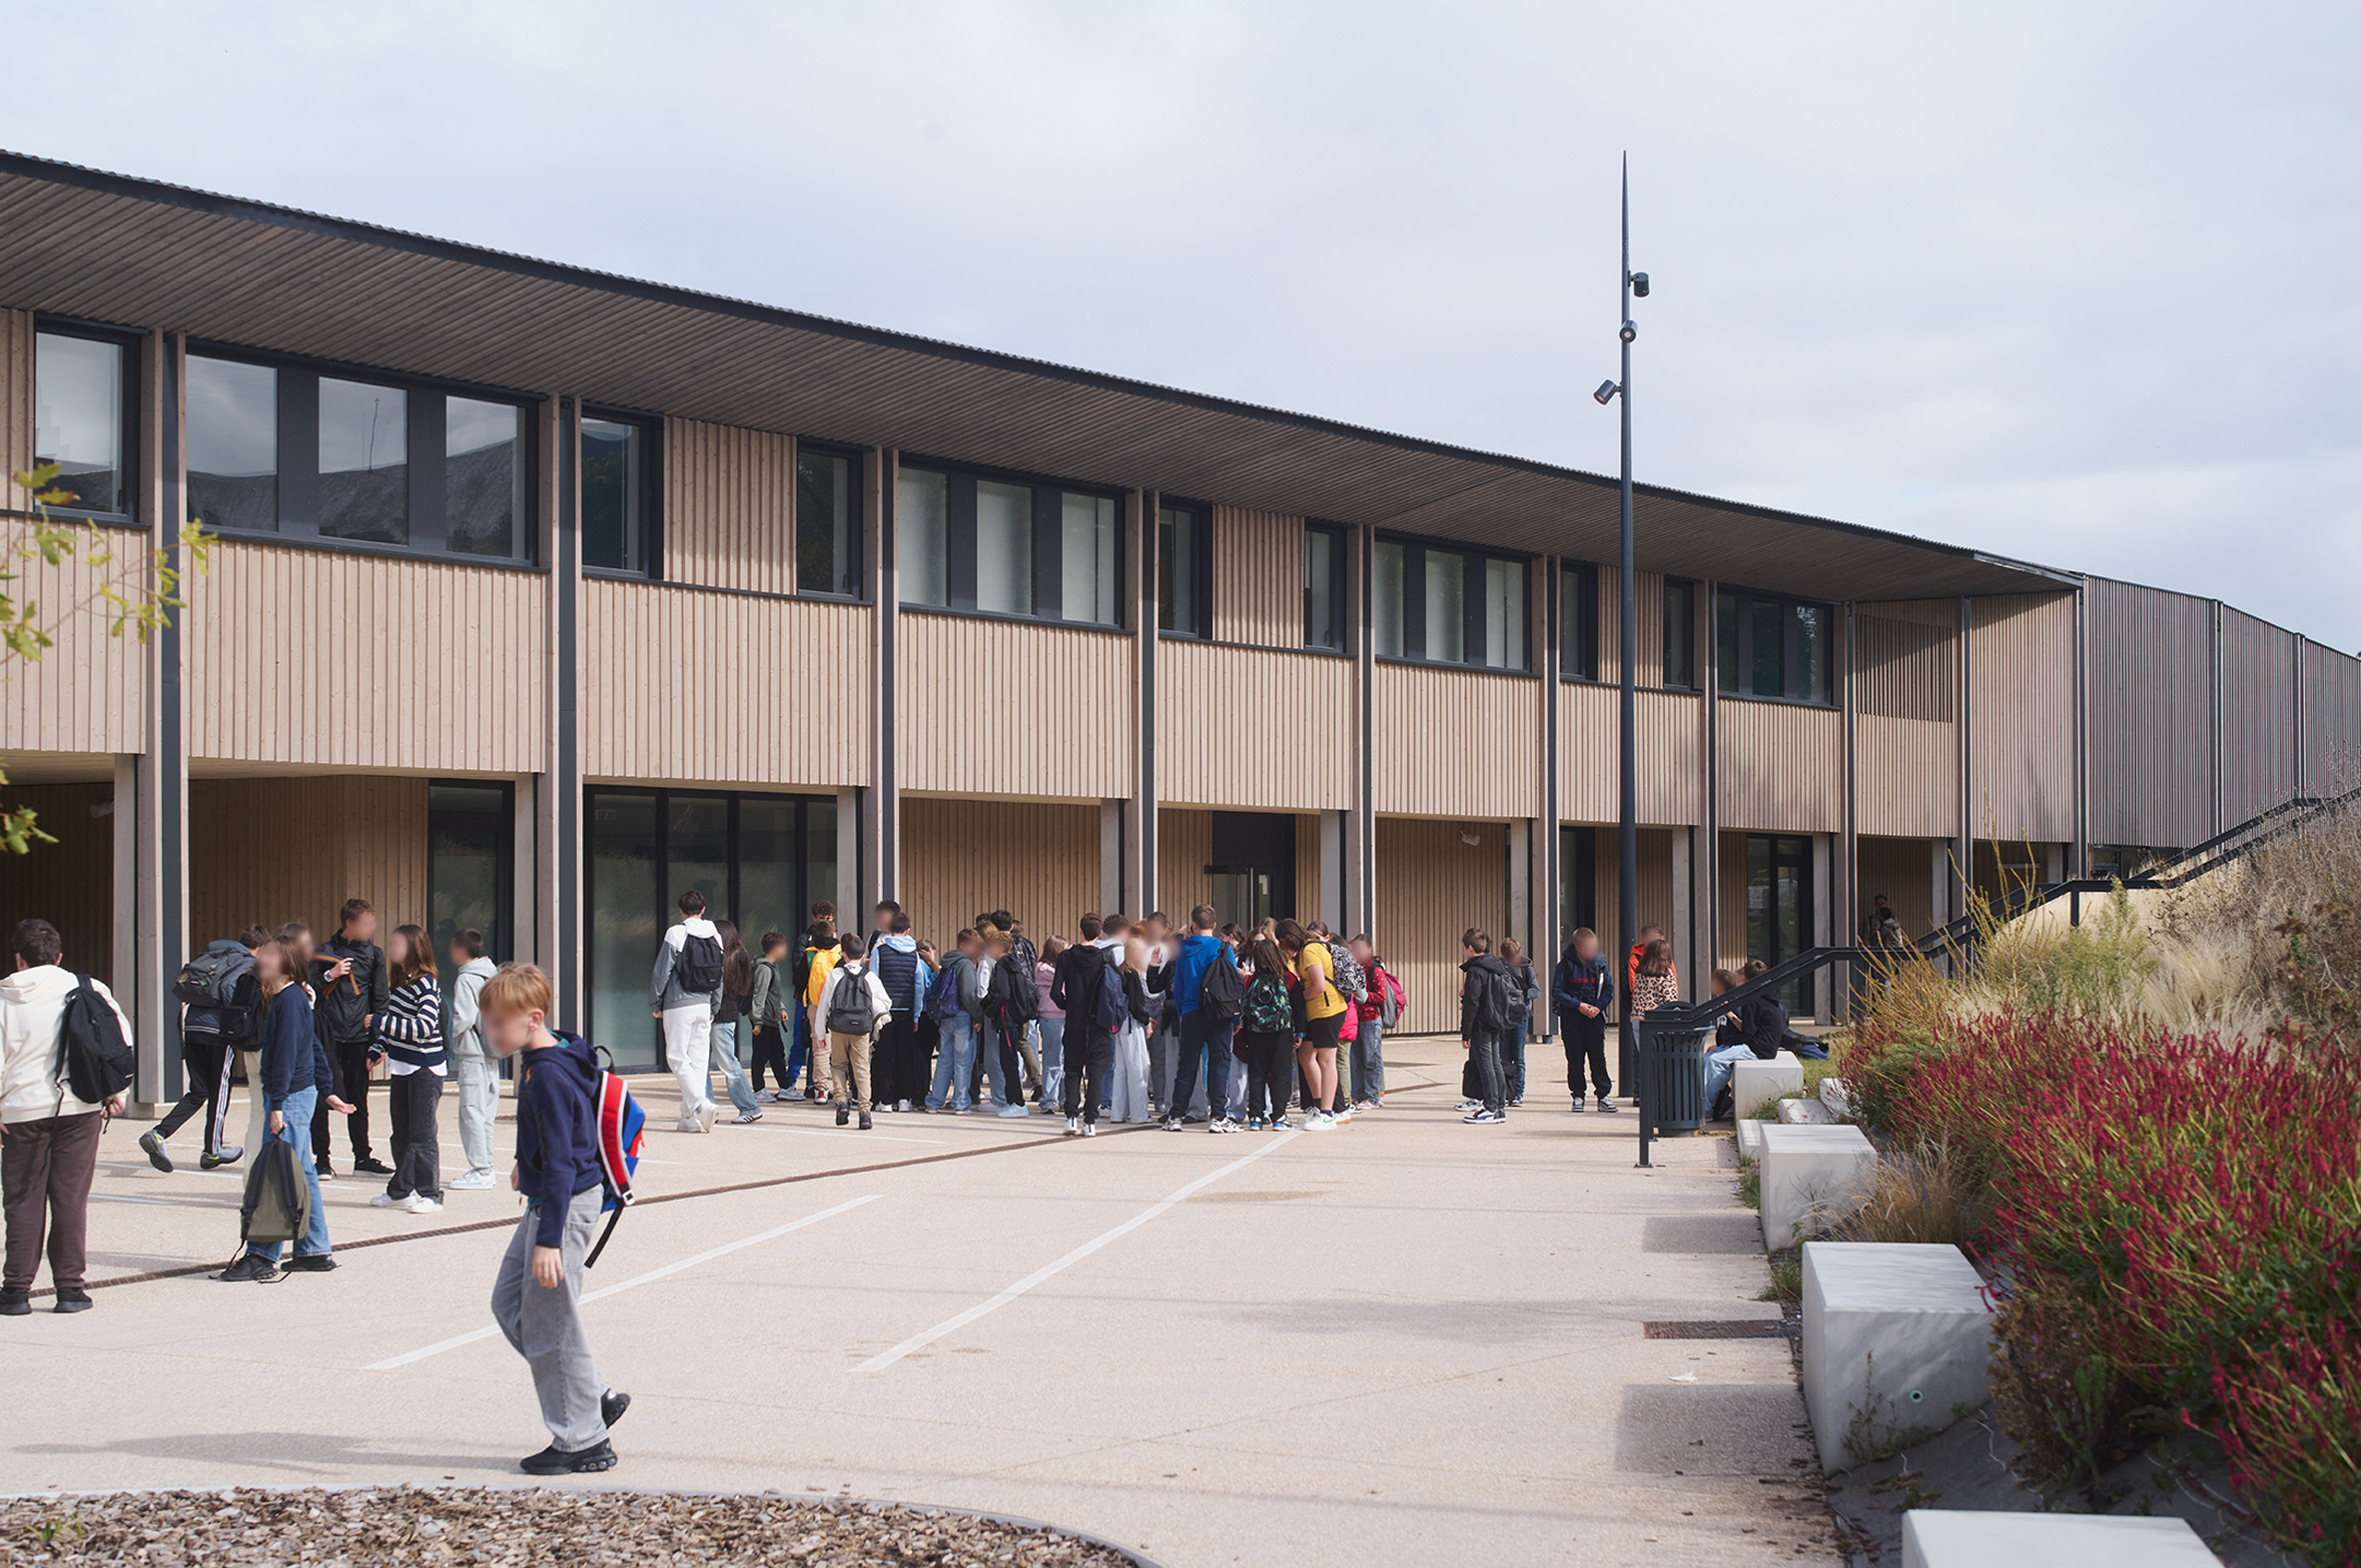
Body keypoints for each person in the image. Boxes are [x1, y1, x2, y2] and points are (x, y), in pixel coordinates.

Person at [481, 963, 628, 1476]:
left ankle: (583, 1439)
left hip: (562, 1208)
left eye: (500, 1023)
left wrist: (549, 1240)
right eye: (489, 1022)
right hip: (551, 1199)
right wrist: (529, 1158)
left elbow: (566, 1161)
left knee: (548, 1322)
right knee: (509, 1304)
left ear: (532, 1017)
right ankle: (595, 1397)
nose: (491, 1032)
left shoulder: (546, 1073)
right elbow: (562, 1132)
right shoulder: (558, 1048)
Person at [0, 919, 133, 1314]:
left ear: (19, 959)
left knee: (22, 1201)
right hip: (79, 1107)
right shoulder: (88, 988)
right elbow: (116, 1041)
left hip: (20, 1112)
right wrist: (116, 1092)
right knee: (70, 1199)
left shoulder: (5, 998)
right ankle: (71, 1290)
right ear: (58, 957)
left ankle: (16, 1291)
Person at [216, 937, 352, 1283]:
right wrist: (326, 1090)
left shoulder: (289, 1000)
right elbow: (314, 1047)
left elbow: (289, 1055)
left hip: (289, 1097)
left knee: (277, 1175)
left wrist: (276, 1105)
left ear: (287, 962)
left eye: (272, 954)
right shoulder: (289, 998)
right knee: (302, 1174)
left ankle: (262, 1255)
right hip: (297, 1095)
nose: (263, 957)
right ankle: (314, 1250)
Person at [142, 923, 267, 1175]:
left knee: (198, 1090)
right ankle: (212, 1150)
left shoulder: (214, 956)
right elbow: (234, 996)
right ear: (260, 948)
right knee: (220, 1091)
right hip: (219, 1031)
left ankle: (158, 1134)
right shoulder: (244, 963)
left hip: (192, 1027)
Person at [312, 898, 392, 1178]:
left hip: (359, 1037)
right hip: (327, 1036)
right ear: (350, 923)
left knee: (359, 1098)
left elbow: (381, 998)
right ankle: (322, 1160)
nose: (372, 928)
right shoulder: (324, 952)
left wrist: (379, 1041)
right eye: (367, 923)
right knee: (323, 1096)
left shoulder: (375, 954)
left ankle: (363, 1158)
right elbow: (308, 991)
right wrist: (329, 975)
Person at [371, 923, 447, 1214]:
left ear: (414, 949)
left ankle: (432, 1193)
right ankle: (401, 1190)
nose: (392, 950)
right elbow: (395, 1024)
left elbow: (423, 1028)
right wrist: (378, 1048)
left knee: (422, 1135)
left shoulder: (426, 984)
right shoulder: (401, 982)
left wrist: (379, 1022)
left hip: (425, 1070)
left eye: (398, 945)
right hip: (402, 1066)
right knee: (400, 1133)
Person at [649, 890, 724, 1135]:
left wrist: (655, 1002)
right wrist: (715, 1005)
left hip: (678, 1004)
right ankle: (689, 1118)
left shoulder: (676, 932)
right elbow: (720, 974)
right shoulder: (715, 934)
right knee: (699, 1061)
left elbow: (663, 971)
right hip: (704, 1004)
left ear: (681, 910)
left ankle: (701, 1105)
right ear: (703, 909)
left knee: (677, 1058)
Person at [1165, 904, 1241, 1135]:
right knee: (1220, 1063)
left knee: (1187, 1065)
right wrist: (1235, 1017)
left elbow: (1177, 985)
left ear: (1193, 925)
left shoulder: (1183, 949)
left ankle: (1176, 1114)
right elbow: (1231, 983)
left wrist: (1181, 1013)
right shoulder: (1222, 947)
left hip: (1190, 1011)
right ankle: (1219, 1116)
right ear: (1215, 925)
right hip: (1219, 1012)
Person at [1050, 914, 1116, 1137]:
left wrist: (1069, 1005)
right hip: (1098, 1023)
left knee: (1072, 1071)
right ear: (1099, 934)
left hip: (1074, 1022)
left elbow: (1055, 991)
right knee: (1096, 1073)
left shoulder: (1066, 957)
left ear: (1080, 931)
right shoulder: (1104, 958)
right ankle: (1090, 1123)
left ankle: (1070, 1118)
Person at [814, 934, 890, 1130]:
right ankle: (864, 1112)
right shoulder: (869, 977)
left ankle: (841, 1102)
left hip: (838, 1027)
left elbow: (824, 1004)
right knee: (862, 1069)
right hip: (861, 1029)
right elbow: (886, 1003)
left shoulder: (835, 975)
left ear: (844, 955)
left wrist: (820, 1033)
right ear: (864, 955)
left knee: (838, 1065)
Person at [1277, 919, 1344, 1132]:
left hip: (1327, 1010)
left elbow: (1319, 985)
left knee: (1326, 1059)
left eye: (1282, 942)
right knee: (1306, 1056)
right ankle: (1317, 1106)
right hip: (1316, 1012)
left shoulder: (1310, 950)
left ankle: (1327, 1113)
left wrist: (1296, 998)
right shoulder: (1307, 950)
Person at [446, 929, 500, 1190]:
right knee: (486, 1112)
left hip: (473, 1052)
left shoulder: (467, 979)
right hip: (492, 1050)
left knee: (471, 1111)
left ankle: (481, 1170)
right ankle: (486, 1166)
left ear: (459, 949)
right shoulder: (491, 973)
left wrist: (447, 1034)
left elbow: (464, 1017)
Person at [1552, 928, 1617, 1114]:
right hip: (1572, 1016)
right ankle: (1578, 1095)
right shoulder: (1565, 965)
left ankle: (1603, 1095)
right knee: (1574, 1057)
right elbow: (1557, 991)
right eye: (1588, 948)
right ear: (1578, 947)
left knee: (1598, 1056)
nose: (1592, 951)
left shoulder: (1601, 965)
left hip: (1594, 1017)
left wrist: (1598, 1007)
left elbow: (1608, 990)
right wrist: (1577, 1005)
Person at [870, 912, 930, 1112]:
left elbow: (874, 981)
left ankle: (885, 1100)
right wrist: (916, 1014)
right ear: (907, 930)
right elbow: (919, 984)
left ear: (889, 929)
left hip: (885, 1011)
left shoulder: (880, 950)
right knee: (905, 1055)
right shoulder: (914, 952)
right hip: (906, 1009)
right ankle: (905, 1099)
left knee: (885, 1055)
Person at [1236, 933, 1295, 1131]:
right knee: (1281, 1075)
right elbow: (1298, 1007)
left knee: (1257, 1074)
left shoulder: (1251, 981)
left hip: (1256, 1032)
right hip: (1281, 1033)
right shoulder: (1288, 979)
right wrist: (1301, 1033)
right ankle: (1279, 1116)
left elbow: (1244, 1007)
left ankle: (1255, 1117)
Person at [1457, 928, 1513, 1125]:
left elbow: (1472, 1002)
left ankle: (1490, 1107)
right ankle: (1498, 1106)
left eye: (1464, 948)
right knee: (1495, 1062)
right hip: (1496, 1020)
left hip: (1482, 1023)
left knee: (1486, 1065)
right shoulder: (1498, 966)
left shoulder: (1476, 970)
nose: (1464, 952)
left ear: (1470, 948)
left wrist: (1466, 1033)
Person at [709, 921, 764, 1126]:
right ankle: (707, 1108)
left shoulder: (729, 956)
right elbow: (744, 990)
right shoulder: (739, 954)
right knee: (713, 1064)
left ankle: (749, 1107)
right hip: (726, 1013)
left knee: (728, 1064)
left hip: (721, 1016)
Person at [924, 929, 983, 1114]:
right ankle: (961, 1103)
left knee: (944, 1060)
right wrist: (978, 1015)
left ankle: (934, 1102)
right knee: (963, 1061)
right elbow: (968, 994)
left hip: (946, 1015)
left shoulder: (947, 961)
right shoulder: (965, 964)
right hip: (962, 1015)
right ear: (964, 946)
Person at [978, 929, 1033, 1118]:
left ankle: (1017, 1102)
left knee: (1008, 1061)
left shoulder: (1002, 965)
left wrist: (990, 1010)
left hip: (1006, 1018)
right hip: (1014, 1018)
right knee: (1008, 1060)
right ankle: (1012, 1101)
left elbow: (1002, 993)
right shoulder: (1014, 964)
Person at [1106, 918, 1156, 1125]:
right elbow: (1136, 1005)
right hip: (1131, 1024)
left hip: (1119, 1024)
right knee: (1138, 1068)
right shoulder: (1132, 975)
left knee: (1122, 1071)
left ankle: (1118, 1112)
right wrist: (1147, 1021)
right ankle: (1139, 1114)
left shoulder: (1118, 971)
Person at [798, 908, 843, 1105]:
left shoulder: (809, 954)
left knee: (820, 1049)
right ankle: (843, 1090)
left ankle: (821, 1091)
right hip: (841, 1006)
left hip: (816, 1005)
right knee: (843, 1049)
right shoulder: (841, 952)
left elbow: (799, 980)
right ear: (833, 934)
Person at [1346, 935, 1394, 1112]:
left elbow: (1381, 996)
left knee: (1370, 1058)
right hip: (1355, 1019)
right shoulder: (1351, 968)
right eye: (1353, 948)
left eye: (1359, 948)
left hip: (1371, 1019)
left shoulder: (1375, 970)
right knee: (1355, 1059)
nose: (1356, 952)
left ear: (1369, 950)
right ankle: (1358, 1095)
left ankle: (1372, 1095)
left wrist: (1366, 997)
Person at [748, 932, 792, 1102]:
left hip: (772, 1019)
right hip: (763, 1019)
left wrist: (781, 1008)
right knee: (760, 1055)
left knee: (777, 1053)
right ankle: (759, 1089)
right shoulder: (764, 969)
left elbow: (773, 994)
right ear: (775, 948)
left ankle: (785, 1087)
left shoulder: (773, 967)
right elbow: (759, 995)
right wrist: (757, 1021)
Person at [1498, 937, 1539, 1109]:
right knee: (1505, 1055)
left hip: (1521, 1015)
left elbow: (1535, 990)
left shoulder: (1526, 967)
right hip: (1504, 1016)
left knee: (1518, 1056)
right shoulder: (1500, 967)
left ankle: (1519, 1092)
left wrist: (1520, 995)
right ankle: (1508, 1091)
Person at [1033, 935, 1067, 1116]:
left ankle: (1065, 1099)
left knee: (1065, 1061)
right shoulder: (1042, 969)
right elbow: (1063, 980)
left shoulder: (1058, 969)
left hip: (1066, 1016)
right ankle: (1048, 1101)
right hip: (1051, 1017)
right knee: (1053, 1061)